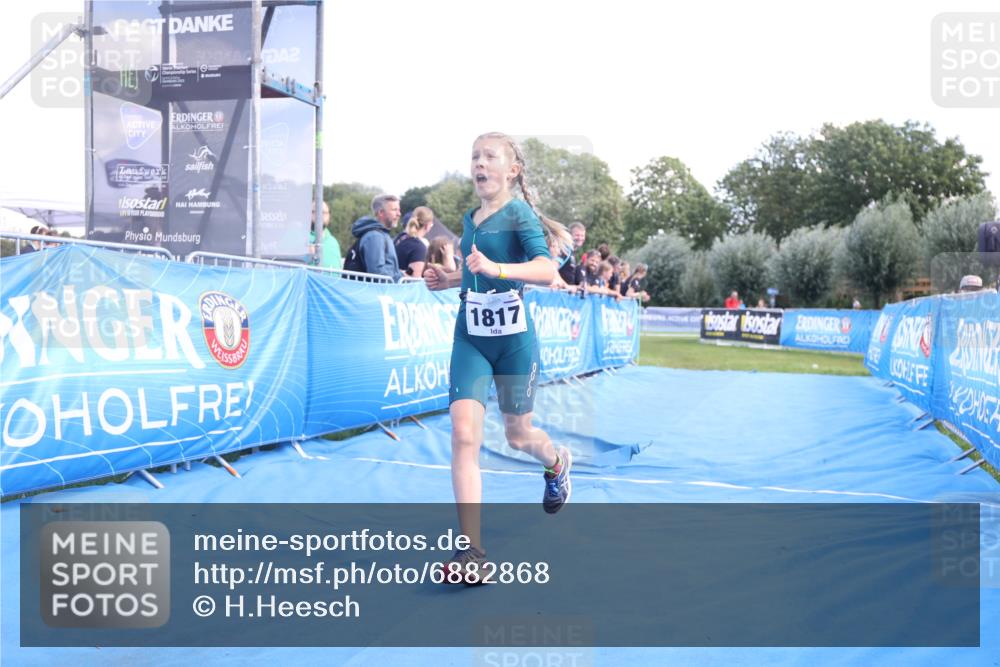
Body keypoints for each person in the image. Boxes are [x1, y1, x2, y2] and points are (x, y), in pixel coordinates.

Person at [423, 132, 573, 579]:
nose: (479, 163)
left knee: (517, 435)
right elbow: (475, 274)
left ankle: (556, 464)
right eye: (474, 156)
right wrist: (448, 279)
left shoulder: (519, 213)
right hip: (470, 336)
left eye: (490, 156)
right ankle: (471, 553)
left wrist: (497, 269)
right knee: (463, 434)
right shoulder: (469, 219)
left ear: (512, 170)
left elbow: (546, 269)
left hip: (513, 341)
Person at [344, 194, 403, 280]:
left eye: (399, 210)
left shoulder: (381, 235)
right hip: (376, 289)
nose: (399, 214)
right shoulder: (375, 237)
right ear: (381, 213)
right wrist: (400, 278)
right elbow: (377, 274)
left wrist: (401, 275)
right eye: (394, 210)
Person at [395, 206, 434, 277]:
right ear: (427, 226)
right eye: (431, 224)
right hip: (401, 284)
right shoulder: (419, 248)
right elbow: (415, 279)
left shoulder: (399, 238)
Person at [310, 200, 343, 270]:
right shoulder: (301, 237)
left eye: (324, 213)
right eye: (316, 211)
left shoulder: (333, 241)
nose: (320, 215)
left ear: (329, 215)